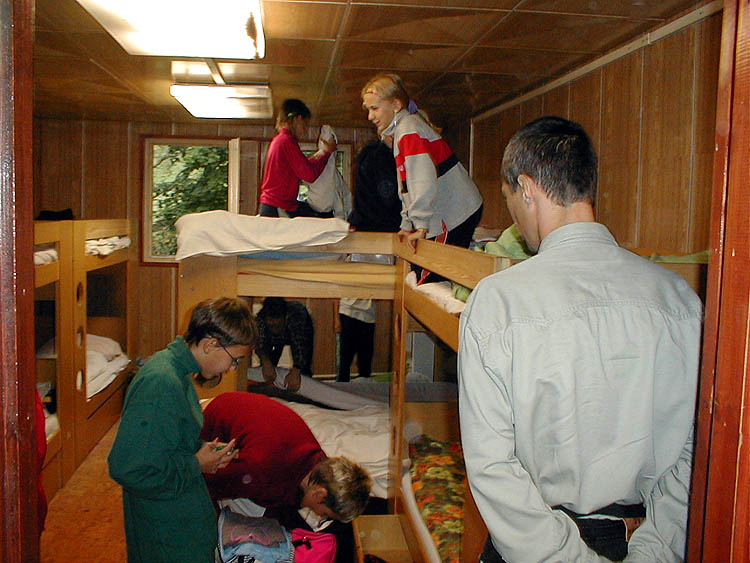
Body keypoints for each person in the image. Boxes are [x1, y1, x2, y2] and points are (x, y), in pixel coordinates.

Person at [458, 116, 702, 562]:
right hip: (641, 537)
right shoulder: (679, 299)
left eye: (509, 198)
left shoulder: (496, 303)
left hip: (533, 545)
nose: (514, 216)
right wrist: (653, 553)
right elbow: (692, 455)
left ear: (526, 188)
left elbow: (493, 468)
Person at [108, 297, 257, 562]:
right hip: (165, 530)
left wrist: (203, 452)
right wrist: (195, 463)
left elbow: (167, 440)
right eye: (234, 360)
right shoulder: (160, 383)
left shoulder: (178, 372)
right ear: (211, 345)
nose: (232, 369)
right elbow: (129, 468)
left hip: (178, 514)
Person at [361, 73, 483, 284]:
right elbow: (406, 187)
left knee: (429, 278)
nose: (370, 117)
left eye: (375, 108)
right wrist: (407, 223)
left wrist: (421, 225)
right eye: (368, 110)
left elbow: (421, 180)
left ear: (396, 105)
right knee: (422, 272)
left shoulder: (409, 129)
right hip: (454, 210)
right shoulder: (403, 130)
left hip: (455, 213)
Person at [201, 391, 371, 524]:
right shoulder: (262, 471)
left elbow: (287, 498)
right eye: (326, 514)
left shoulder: (316, 460)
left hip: (228, 410)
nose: (321, 517)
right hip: (202, 426)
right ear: (319, 494)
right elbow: (203, 484)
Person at [337, 140, 400, 382]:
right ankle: (347, 389)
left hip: (366, 314)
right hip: (349, 311)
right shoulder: (381, 158)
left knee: (361, 363)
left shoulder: (369, 161)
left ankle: (356, 389)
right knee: (349, 363)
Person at [259, 98, 337, 218]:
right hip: (278, 207)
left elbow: (302, 167)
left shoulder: (280, 141)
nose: (305, 131)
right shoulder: (287, 141)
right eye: (305, 125)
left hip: (276, 204)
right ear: (298, 119)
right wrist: (326, 153)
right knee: (323, 218)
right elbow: (309, 175)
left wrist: (320, 154)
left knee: (320, 217)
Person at [256, 297, 314, 392]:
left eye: (277, 325)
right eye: (271, 325)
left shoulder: (297, 317)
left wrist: (296, 369)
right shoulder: (261, 319)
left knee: (303, 370)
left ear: (285, 317)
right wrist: (266, 361)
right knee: (267, 367)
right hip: (272, 336)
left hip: (297, 331)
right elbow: (260, 343)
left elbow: (301, 346)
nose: (275, 329)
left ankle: (306, 390)